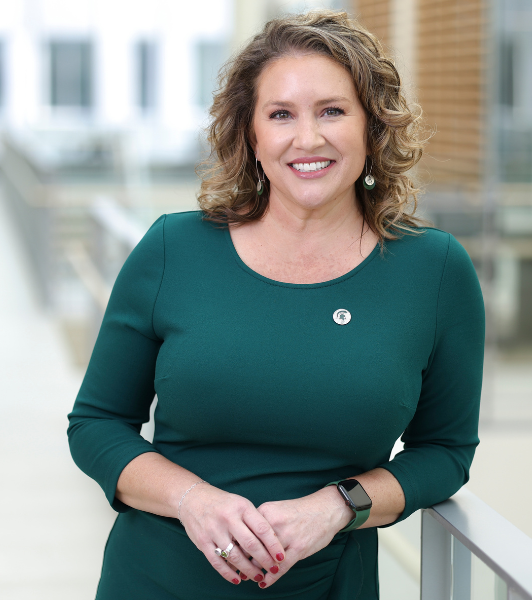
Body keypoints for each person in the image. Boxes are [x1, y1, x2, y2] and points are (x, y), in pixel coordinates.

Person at [67, 9, 485, 600]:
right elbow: (96, 424)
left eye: (333, 111)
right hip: (155, 580)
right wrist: (193, 501)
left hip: (326, 585)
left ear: (374, 127)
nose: (307, 138)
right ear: (251, 135)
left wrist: (339, 506)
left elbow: (444, 452)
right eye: (281, 114)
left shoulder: (434, 271)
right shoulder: (173, 249)